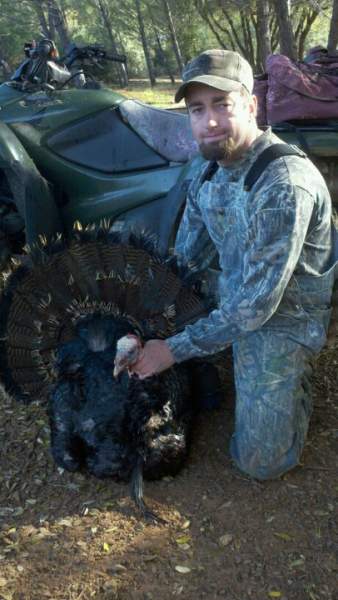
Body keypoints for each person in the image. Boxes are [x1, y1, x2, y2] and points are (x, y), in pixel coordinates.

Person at [131, 49, 336, 480]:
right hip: (238, 294)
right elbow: (182, 264)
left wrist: (172, 348)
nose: (209, 122)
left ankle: (294, 380)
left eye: (222, 105)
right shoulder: (208, 170)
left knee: (260, 463)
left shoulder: (283, 183)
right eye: (197, 109)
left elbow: (256, 309)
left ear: (250, 105)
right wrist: (146, 325)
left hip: (284, 317)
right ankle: (224, 354)